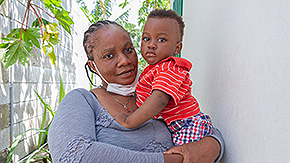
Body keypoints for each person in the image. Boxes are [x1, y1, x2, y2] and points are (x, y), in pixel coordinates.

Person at [48, 20, 224, 163]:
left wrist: (212, 146)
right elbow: (74, 156)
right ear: (93, 66)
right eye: (109, 55)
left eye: (128, 50)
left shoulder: (158, 92)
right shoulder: (83, 100)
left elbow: (199, 124)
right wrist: (175, 160)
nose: (124, 61)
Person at [115, 9, 213, 146]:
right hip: (176, 126)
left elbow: (159, 99)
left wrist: (129, 121)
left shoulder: (170, 68)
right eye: (146, 39)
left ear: (177, 48)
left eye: (161, 40)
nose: (151, 45)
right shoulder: (153, 69)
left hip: (187, 125)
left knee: (182, 156)